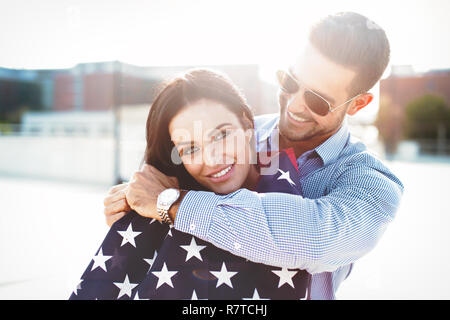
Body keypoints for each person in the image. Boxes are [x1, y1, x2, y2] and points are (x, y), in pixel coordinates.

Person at [104, 12, 404, 300]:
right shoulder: (234, 129)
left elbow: (313, 240)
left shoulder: (372, 183)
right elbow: (156, 185)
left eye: (318, 100)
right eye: (289, 81)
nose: (295, 105)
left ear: (358, 104)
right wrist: (130, 208)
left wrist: (171, 203)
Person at [70, 68, 310, 300]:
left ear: (247, 124)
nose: (212, 159)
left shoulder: (307, 186)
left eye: (222, 135)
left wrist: (167, 204)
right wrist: (138, 218)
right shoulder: (156, 210)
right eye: (191, 149)